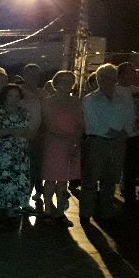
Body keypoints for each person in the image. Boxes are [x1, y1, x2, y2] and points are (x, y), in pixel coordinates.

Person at [80, 64, 136, 224]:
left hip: (118, 143)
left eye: (112, 77)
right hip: (98, 141)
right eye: (105, 77)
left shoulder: (124, 96)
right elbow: (92, 121)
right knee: (91, 179)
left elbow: (130, 115)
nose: (109, 81)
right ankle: (86, 213)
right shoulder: (90, 99)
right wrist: (112, 132)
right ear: (99, 79)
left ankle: (106, 211)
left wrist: (126, 131)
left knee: (110, 180)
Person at [0, 84, 32, 220]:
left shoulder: (24, 112)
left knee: (15, 180)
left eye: (16, 96)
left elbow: (28, 130)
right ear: (5, 96)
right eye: (10, 95)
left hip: (19, 151)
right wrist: (11, 131)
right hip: (2, 151)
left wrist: (24, 135)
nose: (13, 99)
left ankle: (11, 209)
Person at [40, 71, 84, 226]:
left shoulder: (76, 101)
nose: (67, 84)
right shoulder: (48, 101)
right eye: (63, 81)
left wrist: (75, 140)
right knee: (51, 179)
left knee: (63, 181)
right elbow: (49, 124)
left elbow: (81, 123)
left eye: (70, 81)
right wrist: (70, 137)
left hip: (71, 144)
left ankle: (60, 212)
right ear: (56, 83)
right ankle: (47, 210)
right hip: (54, 143)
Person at [21, 64, 48, 213]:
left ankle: (26, 200)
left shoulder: (44, 93)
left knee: (35, 169)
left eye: (36, 74)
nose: (33, 77)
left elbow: (47, 115)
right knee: (23, 170)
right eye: (30, 74)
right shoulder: (18, 92)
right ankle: (20, 200)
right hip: (20, 136)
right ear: (24, 75)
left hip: (39, 137)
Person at [117, 62, 139, 208]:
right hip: (116, 134)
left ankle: (129, 193)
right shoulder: (113, 91)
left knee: (131, 166)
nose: (134, 74)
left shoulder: (136, 91)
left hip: (133, 134)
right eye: (131, 72)